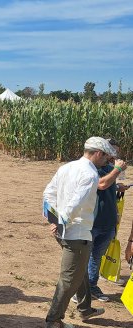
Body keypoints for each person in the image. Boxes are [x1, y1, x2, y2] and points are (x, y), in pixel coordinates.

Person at [42, 137, 116, 328]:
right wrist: (61, 221)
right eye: (107, 157)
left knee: (79, 270)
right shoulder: (90, 175)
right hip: (77, 234)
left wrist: (53, 219)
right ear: (98, 153)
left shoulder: (67, 167)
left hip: (64, 230)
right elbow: (77, 202)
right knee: (69, 279)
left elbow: (49, 193)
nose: (107, 161)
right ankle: (54, 320)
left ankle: (84, 309)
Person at [84, 139, 128, 302]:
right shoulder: (89, 169)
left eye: (114, 152)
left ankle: (92, 286)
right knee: (85, 257)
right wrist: (117, 169)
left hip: (108, 222)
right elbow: (101, 184)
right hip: (92, 222)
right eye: (110, 152)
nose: (112, 155)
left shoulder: (109, 169)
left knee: (96, 256)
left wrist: (117, 187)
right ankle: (81, 290)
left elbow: (108, 186)